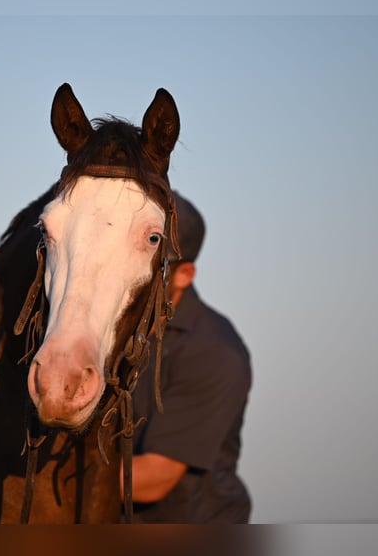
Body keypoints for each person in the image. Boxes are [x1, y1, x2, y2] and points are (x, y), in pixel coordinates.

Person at [123, 190, 253, 523]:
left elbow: (155, 478)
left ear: (185, 275)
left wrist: (48, 477)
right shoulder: (110, 330)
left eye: (151, 260)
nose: (130, 271)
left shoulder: (213, 351)